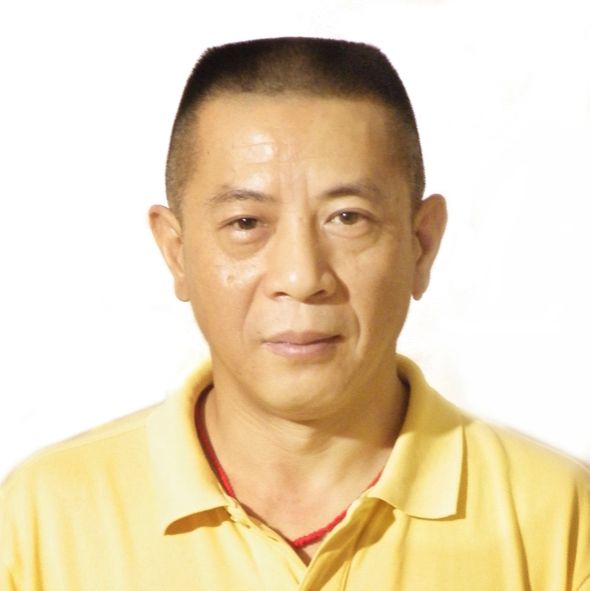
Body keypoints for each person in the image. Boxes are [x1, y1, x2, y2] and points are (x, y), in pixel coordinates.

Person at [1, 36, 589, 591]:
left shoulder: (561, 519)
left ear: (421, 244)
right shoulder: (41, 521)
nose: (301, 278)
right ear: (177, 253)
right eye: (246, 223)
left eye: (348, 218)